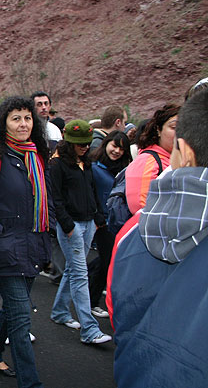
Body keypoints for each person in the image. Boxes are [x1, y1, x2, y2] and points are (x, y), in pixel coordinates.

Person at [108, 89, 208, 387]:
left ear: (184, 152)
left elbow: (117, 308)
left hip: (140, 370)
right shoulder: (147, 162)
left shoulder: (134, 232)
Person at [0, 97, 52, 388]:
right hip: (6, 250)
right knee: (20, 319)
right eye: (16, 118)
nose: (23, 124)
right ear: (3, 123)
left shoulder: (36, 156)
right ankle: (31, 383)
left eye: (27, 118)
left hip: (33, 246)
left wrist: (50, 226)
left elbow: (46, 198)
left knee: (13, 310)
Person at [49, 120, 112, 344]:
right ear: (69, 143)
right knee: (79, 274)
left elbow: (92, 190)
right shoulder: (57, 165)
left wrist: (98, 216)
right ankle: (89, 329)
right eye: (80, 144)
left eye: (87, 143)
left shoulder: (86, 162)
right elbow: (55, 198)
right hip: (72, 225)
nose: (85, 147)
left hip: (88, 222)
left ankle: (60, 311)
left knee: (74, 270)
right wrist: (67, 225)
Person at [88, 130, 131, 318]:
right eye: (114, 146)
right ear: (106, 144)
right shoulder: (94, 167)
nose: (117, 151)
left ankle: (88, 286)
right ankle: (92, 301)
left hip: (116, 221)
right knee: (106, 260)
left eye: (121, 148)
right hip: (99, 221)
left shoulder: (124, 169)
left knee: (106, 259)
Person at [125, 104, 180, 214]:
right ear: (158, 130)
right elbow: (141, 207)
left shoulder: (180, 159)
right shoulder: (147, 160)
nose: (179, 132)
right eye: (173, 127)